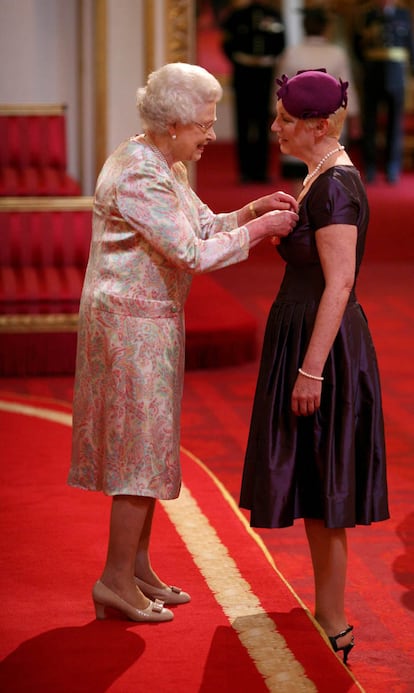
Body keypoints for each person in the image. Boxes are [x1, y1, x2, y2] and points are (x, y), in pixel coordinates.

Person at [67, 62, 298, 624]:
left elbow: (200, 226)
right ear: (171, 124)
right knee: (135, 456)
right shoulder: (140, 174)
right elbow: (191, 254)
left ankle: (137, 568)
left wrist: (249, 212)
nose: (211, 135)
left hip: (149, 321)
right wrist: (261, 233)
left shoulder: (163, 162)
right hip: (128, 325)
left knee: (148, 450)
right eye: (203, 124)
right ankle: (115, 581)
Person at [240, 69, 389, 664]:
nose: (273, 126)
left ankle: (335, 617)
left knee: (328, 484)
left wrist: (311, 370)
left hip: (322, 346)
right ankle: (327, 608)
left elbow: (341, 283)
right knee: (312, 475)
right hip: (305, 338)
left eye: (284, 119)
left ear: (318, 126)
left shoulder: (336, 188)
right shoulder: (317, 177)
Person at [278, 6, 361, 190]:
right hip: (329, 124)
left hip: (298, 123)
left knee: (300, 176)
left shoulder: (292, 53)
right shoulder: (337, 53)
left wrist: (277, 118)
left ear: (304, 26)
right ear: (326, 28)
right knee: (328, 170)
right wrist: (354, 120)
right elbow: (348, 92)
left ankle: (300, 213)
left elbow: (279, 93)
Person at [221, 1, 285, 182]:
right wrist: (241, 61)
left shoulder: (273, 15)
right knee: (243, 121)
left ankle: (261, 170)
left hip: (264, 73)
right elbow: (226, 44)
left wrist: (268, 59)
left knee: (263, 121)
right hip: (244, 72)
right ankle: (244, 171)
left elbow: (281, 42)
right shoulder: (237, 16)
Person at [353, 0, 414, 183]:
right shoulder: (367, 16)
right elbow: (358, 45)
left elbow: (409, 44)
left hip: (396, 75)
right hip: (373, 74)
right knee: (369, 123)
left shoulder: (404, 15)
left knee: (395, 124)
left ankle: (392, 166)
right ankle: (370, 166)